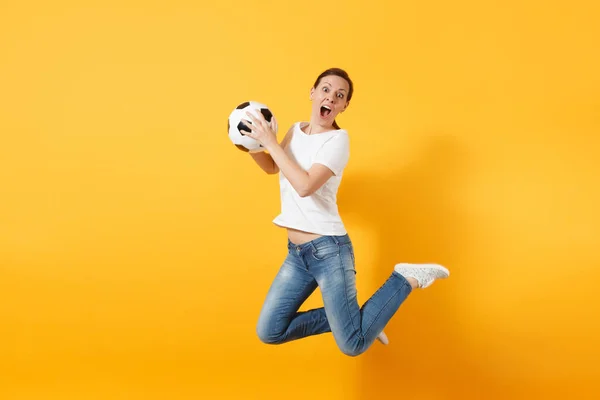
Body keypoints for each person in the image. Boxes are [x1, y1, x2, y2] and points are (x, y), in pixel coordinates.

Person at [241, 67, 449, 357]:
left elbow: (304, 186)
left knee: (352, 345)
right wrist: (251, 145)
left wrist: (271, 143)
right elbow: (273, 167)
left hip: (329, 251)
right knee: (270, 330)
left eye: (339, 96)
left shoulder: (337, 141)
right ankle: (365, 321)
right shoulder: (294, 131)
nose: (331, 98)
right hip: (297, 255)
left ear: (344, 106)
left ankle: (405, 279)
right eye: (325, 90)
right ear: (312, 93)